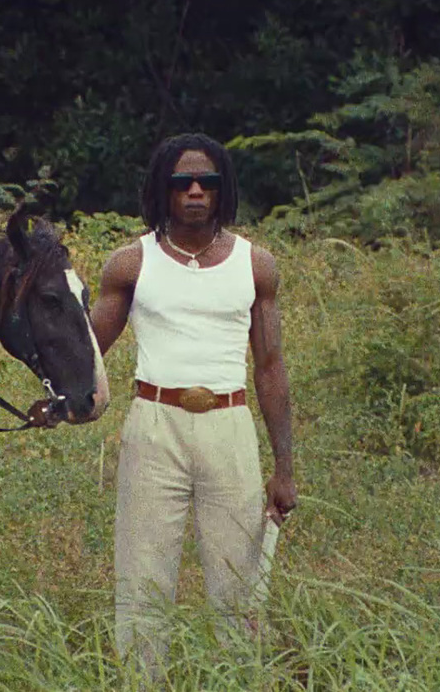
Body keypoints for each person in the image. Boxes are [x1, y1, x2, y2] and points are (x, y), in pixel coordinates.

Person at [88, 132, 297, 670]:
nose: (196, 192)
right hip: (154, 425)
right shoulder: (130, 263)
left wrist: (284, 469)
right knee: (141, 574)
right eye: (183, 182)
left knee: (239, 581)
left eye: (208, 182)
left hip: (229, 425)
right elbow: (88, 354)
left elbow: (270, 368)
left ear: (223, 190)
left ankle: (235, 679)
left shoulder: (256, 265)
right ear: (163, 189)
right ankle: (141, 680)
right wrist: (56, 401)